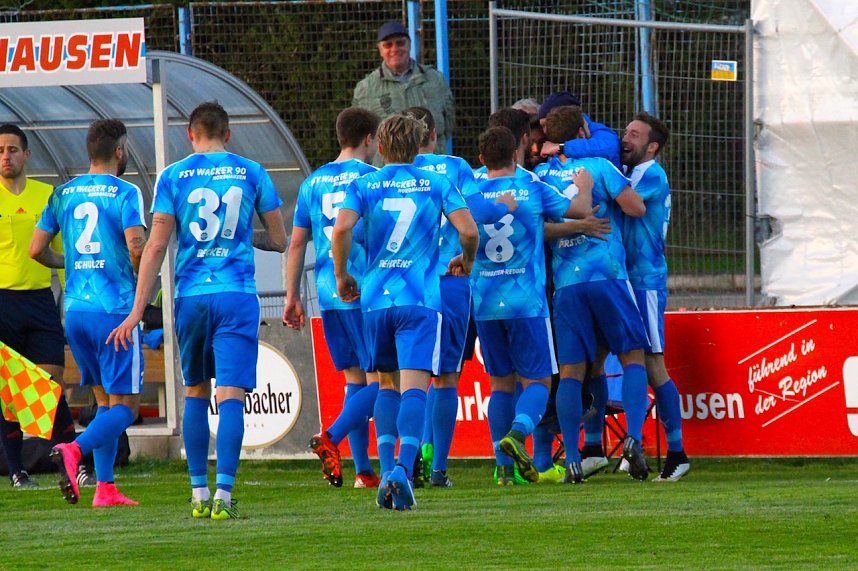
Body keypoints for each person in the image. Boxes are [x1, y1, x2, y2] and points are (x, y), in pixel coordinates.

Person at [108, 101, 287, 519]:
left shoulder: (173, 176)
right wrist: (246, 236)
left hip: (190, 297)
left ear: (190, 134)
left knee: (195, 390)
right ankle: (224, 498)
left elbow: (154, 247)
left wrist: (137, 311)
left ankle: (198, 495)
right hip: (235, 293)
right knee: (231, 396)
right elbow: (279, 238)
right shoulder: (250, 171)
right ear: (228, 134)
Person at [331, 113, 477, 510]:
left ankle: (385, 467)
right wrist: (466, 259)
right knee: (416, 385)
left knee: (385, 385)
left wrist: (343, 275)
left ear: (379, 146)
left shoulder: (364, 184)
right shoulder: (437, 182)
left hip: (376, 301)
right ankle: (402, 470)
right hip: (420, 301)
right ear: (419, 147)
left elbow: (342, 229)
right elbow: (469, 231)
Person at [31, 119, 146, 507]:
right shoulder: (126, 192)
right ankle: (74, 451)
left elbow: (36, 250)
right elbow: (135, 245)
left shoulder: (62, 193)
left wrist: (72, 263)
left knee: (105, 401)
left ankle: (105, 488)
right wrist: (138, 277)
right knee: (126, 409)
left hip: (76, 311)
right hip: (114, 311)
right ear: (119, 151)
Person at [472, 126, 592, 485]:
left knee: (500, 386)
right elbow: (579, 210)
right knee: (538, 381)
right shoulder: (532, 187)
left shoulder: (470, 191)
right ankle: (517, 433)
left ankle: (503, 470)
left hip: (485, 303)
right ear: (515, 156)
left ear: (481, 160)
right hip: (527, 303)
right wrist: (584, 185)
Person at [538, 105, 651, 482]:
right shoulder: (599, 168)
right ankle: (634, 438)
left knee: (574, 371)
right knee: (632, 356)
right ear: (583, 132)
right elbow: (635, 208)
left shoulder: (538, 178)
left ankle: (574, 457)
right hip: (608, 276)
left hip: (568, 284)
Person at [408, 106, 516, 488]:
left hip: (406, 286)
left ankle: (411, 458)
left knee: (411, 378)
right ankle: (437, 469)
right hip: (450, 282)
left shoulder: (389, 173)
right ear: (433, 134)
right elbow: (480, 212)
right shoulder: (454, 167)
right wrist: (505, 205)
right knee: (447, 380)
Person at [283, 107, 382, 489]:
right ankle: (332, 436)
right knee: (384, 380)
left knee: (355, 380)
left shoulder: (314, 182)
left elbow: (296, 244)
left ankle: (364, 472)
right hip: (362, 289)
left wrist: (293, 294)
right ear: (370, 139)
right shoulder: (373, 178)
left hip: (327, 292)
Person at [0, 123, 93, 489]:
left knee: (50, 387)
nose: (5, 156)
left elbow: (67, 250)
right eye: (0, 150)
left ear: (27, 154)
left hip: (40, 302)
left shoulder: (48, 195)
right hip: (2, 301)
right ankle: (17, 470)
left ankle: (74, 461)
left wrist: (73, 298)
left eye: (11, 149)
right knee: (9, 391)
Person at [619, 112, 690, 481]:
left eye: (634, 134)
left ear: (652, 147)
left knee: (652, 364)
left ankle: (677, 452)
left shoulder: (650, 174)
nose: (625, 138)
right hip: (624, 278)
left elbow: (624, 201)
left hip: (645, 280)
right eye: (625, 131)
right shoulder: (633, 172)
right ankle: (620, 447)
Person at [353, 21, 454, 162]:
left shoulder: (435, 80)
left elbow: (448, 123)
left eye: (400, 43)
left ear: (409, 44)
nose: (395, 49)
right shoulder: (366, 89)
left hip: (432, 174)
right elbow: (361, 137)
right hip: (388, 177)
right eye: (388, 45)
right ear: (380, 50)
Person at [537, 91, 622, 169]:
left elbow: (607, 148)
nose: (544, 131)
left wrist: (561, 148)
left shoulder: (600, 132)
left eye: (546, 124)